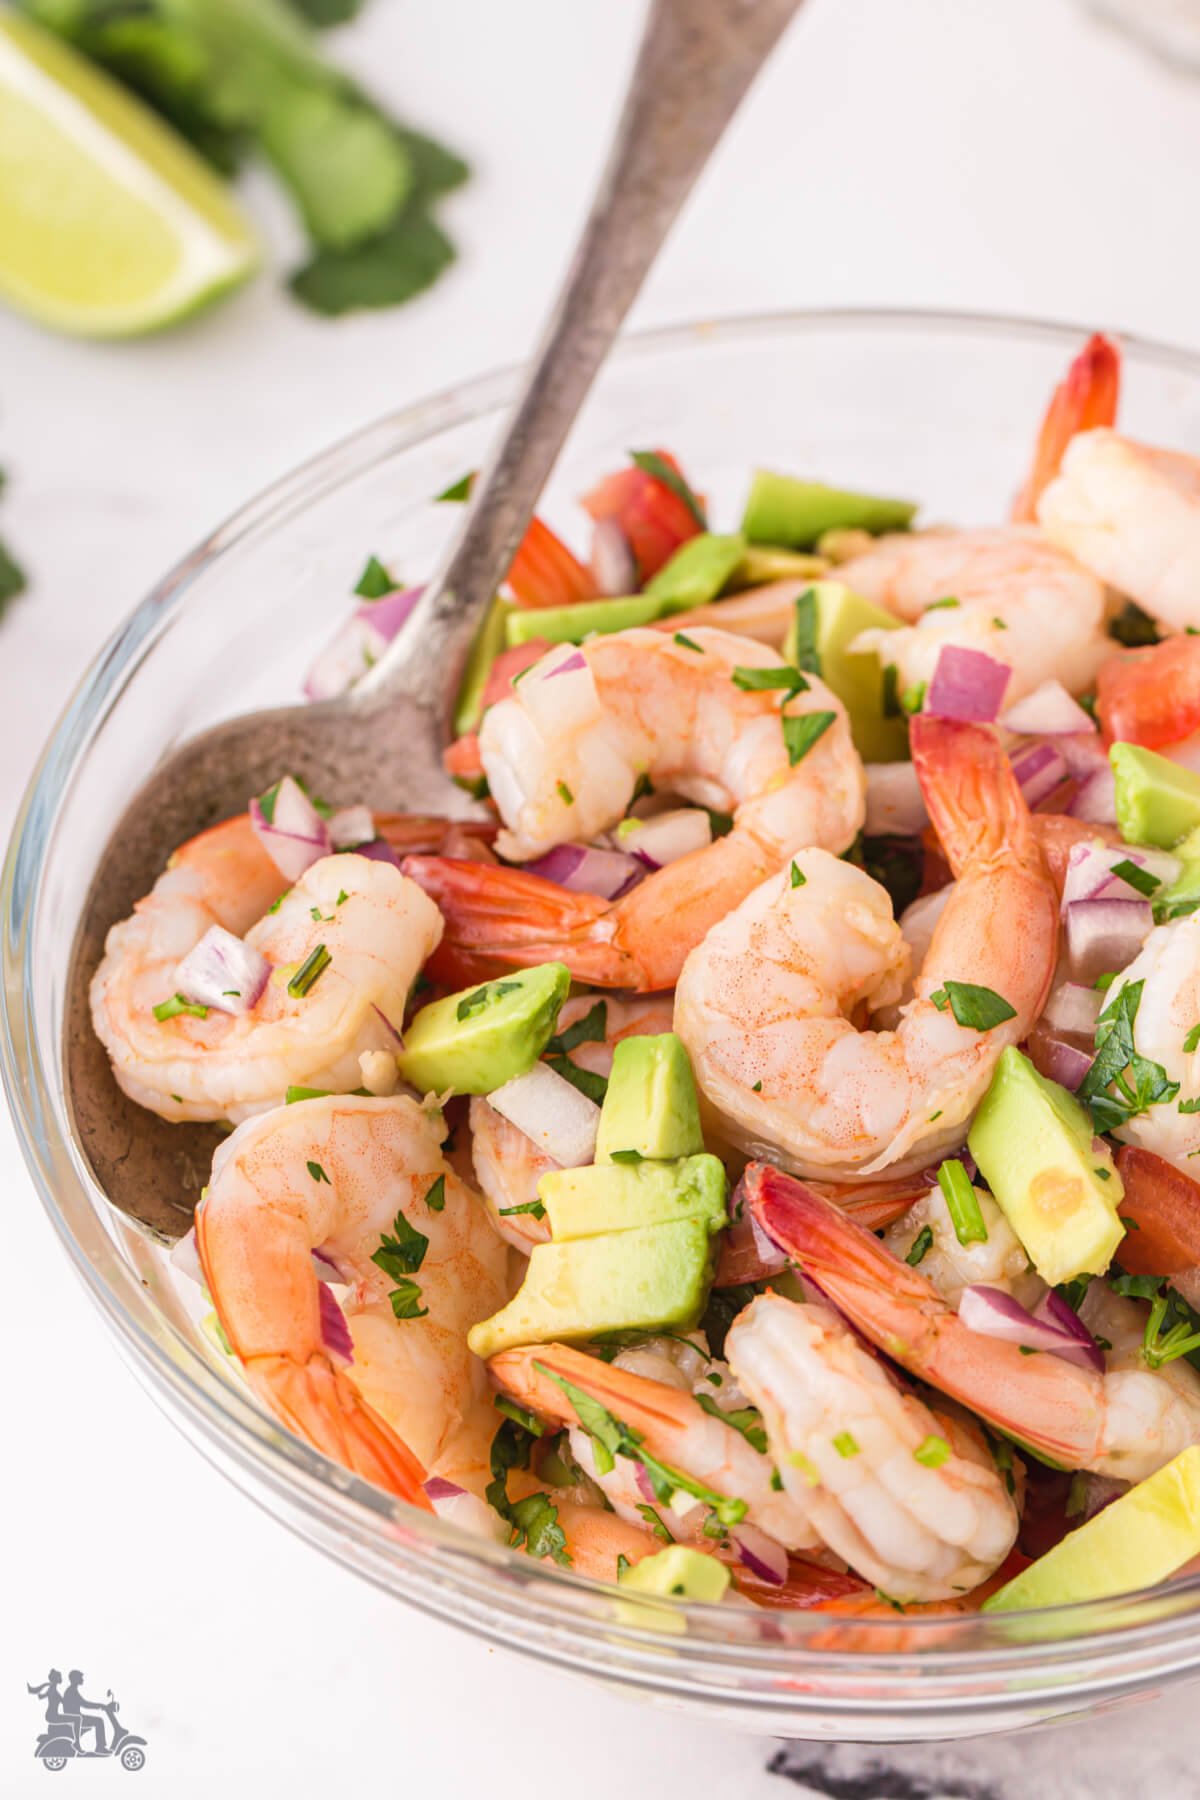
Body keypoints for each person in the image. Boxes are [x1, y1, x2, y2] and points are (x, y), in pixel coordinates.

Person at [62, 1670, 107, 1754]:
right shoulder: (71, 1691)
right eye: (80, 1677)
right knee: (99, 1721)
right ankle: (100, 1747)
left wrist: (100, 1706)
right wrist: (100, 1706)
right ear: (75, 1679)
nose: (82, 1679)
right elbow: (85, 1704)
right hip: (75, 1718)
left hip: (77, 1716)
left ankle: (100, 1747)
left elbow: (83, 1703)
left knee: (98, 1720)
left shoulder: (72, 1690)